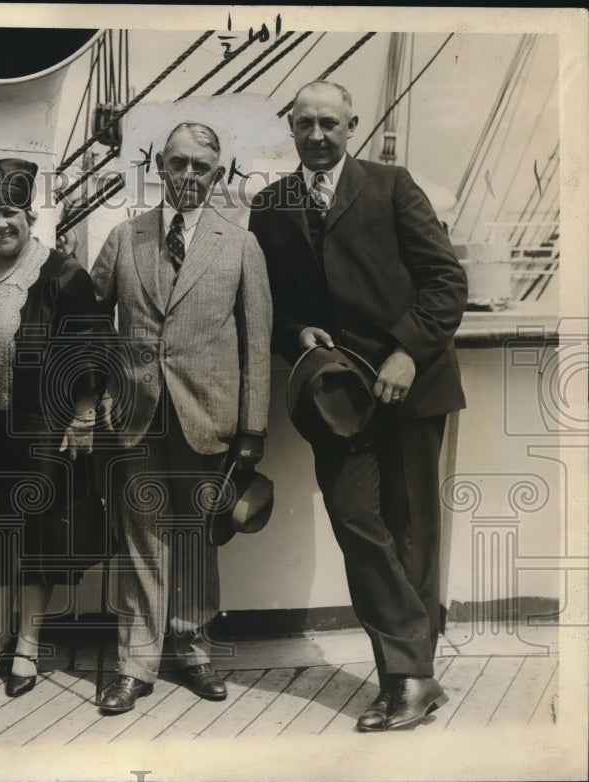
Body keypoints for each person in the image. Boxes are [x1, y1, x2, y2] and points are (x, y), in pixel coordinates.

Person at [248, 80, 468, 731]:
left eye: (329, 123)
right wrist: (295, 334)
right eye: (305, 124)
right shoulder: (269, 206)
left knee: (411, 533)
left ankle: (406, 678)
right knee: (355, 522)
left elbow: (446, 281)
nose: (317, 135)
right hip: (336, 398)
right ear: (291, 127)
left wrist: (407, 351)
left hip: (412, 386)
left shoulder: (392, 186)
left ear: (352, 125)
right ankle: (414, 673)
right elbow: (271, 305)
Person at [90, 122, 273, 714]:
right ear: (160, 168)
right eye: (178, 163)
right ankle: (135, 665)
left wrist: (252, 429)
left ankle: (194, 650)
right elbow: (87, 326)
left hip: (207, 415)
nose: (189, 175)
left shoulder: (239, 245)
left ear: (217, 175)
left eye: (201, 166)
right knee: (140, 540)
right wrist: (100, 393)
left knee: (195, 536)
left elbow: (257, 343)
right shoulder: (126, 237)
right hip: (136, 416)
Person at [0, 158, 104, 698]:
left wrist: (84, 414)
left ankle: (27, 646)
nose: (0, 223)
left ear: (30, 216)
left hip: (41, 431)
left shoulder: (62, 276)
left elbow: (92, 348)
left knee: (35, 540)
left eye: (9, 212)